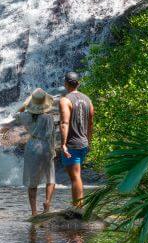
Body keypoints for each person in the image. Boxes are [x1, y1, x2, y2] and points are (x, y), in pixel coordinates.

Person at [16, 88, 56, 216]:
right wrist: (52, 150)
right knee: (50, 176)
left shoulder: (27, 116)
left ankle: (34, 212)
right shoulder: (48, 117)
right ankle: (47, 203)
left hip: (33, 146)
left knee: (32, 181)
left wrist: (27, 103)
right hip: (45, 146)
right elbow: (52, 135)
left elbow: (19, 112)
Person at [59, 71, 94, 207]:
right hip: (83, 143)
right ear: (78, 84)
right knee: (77, 176)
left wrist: (63, 144)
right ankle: (79, 205)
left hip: (72, 144)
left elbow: (64, 123)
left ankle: (78, 207)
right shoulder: (87, 99)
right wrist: (89, 141)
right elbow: (91, 122)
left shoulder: (65, 100)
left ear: (65, 84)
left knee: (75, 177)